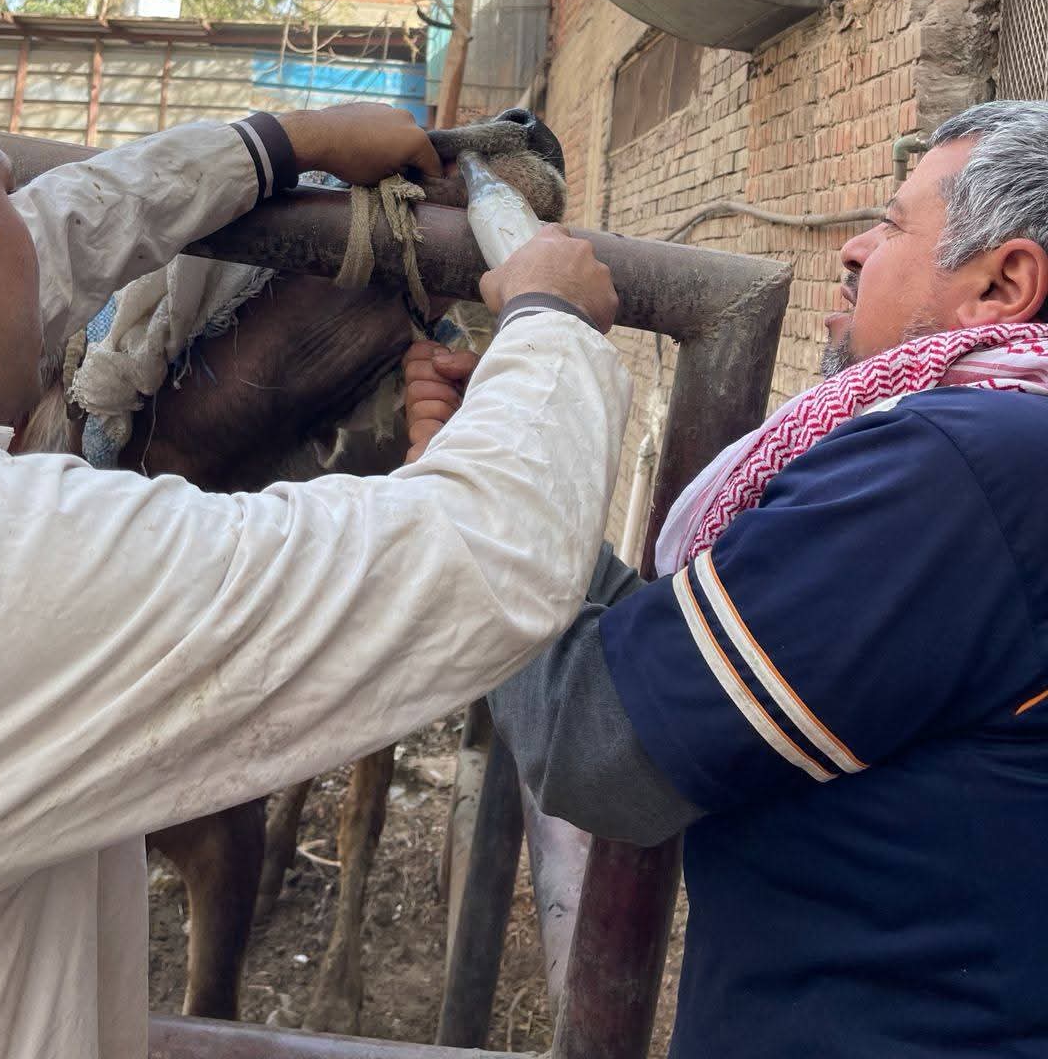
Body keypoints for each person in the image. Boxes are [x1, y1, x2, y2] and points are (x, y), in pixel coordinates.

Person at [0, 6, 626, 1059]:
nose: (37, 236)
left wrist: (285, 143)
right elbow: (487, 555)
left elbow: (64, 230)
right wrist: (553, 320)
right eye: (2, 192)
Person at [410, 98, 1048, 1059]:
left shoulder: (963, 468)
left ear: (1005, 284)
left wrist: (482, 491)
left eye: (890, 224)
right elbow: (670, 660)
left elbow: (598, 741)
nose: (852, 249)